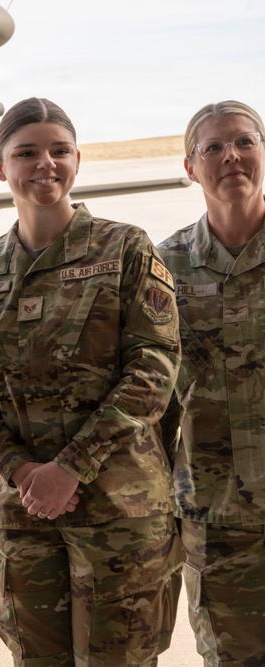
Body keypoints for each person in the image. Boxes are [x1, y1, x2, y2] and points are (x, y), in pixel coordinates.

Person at [0, 97, 184, 666]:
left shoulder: (125, 249)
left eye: (58, 151)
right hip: (23, 513)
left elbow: (153, 368)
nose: (44, 165)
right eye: (26, 153)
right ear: (0, 166)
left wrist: (71, 467)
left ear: (77, 160)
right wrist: (23, 470)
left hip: (119, 513)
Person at [157, 101, 265, 667]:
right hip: (217, 518)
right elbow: (151, 401)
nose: (232, 157)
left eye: (245, 141)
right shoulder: (163, 267)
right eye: (214, 147)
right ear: (190, 166)